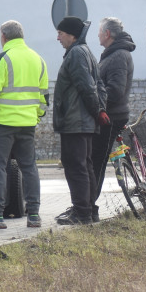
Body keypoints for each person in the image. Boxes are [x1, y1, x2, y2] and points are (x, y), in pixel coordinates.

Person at [0, 20, 49, 230]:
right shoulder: (38, 59)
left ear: (3, 36)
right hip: (27, 124)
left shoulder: (1, 60)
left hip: (2, 125)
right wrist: (35, 116)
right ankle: (33, 214)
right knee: (29, 167)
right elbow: (45, 97)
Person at [52, 16, 108, 226]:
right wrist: (99, 110)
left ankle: (82, 213)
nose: (58, 37)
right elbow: (100, 86)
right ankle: (89, 210)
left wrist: (97, 110)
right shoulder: (87, 52)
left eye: (61, 33)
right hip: (85, 122)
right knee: (85, 166)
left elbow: (87, 86)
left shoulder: (76, 53)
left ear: (72, 35)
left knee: (76, 167)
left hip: (75, 122)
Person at [85, 16, 135, 222]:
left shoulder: (117, 57)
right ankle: (87, 205)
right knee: (96, 159)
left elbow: (114, 91)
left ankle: (89, 208)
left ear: (107, 34)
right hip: (110, 115)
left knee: (97, 161)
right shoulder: (113, 54)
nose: (97, 34)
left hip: (111, 117)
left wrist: (95, 100)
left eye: (99, 31)